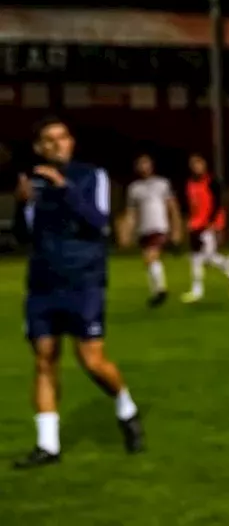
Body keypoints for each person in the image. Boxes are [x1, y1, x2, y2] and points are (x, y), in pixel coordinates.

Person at [12, 116, 144, 468]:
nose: (57, 144)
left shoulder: (91, 176)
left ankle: (126, 407)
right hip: (42, 283)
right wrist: (19, 204)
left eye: (63, 137)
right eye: (48, 140)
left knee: (92, 361)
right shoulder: (31, 182)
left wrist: (64, 187)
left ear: (72, 142)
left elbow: (99, 223)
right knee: (44, 358)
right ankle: (47, 446)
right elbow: (24, 237)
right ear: (39, 147)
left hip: (83, 280)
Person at [180, 153, 229, 303]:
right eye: (194, 164)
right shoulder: (189, 183)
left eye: (199, 163)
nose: (196, 167)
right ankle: (197, 291)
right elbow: (191, 204)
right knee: (196, 259)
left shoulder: (212, 182)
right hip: (195, 225)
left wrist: (215, 223)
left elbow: (218, 204)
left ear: (204, 165)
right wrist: (189, 221)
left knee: (209, 257)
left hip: (208, 224)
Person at [125, 153, 182, 307]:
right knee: (148, 261)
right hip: (144, 228)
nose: (144, 167)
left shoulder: (162, 183)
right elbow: (131, 213)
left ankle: (161, 290)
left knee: (151, 257)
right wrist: (128, 231)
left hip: (159, 227)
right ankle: (157, 291)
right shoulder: (134, 188)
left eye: (146, 163)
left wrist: (176, 230)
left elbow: (173, 207)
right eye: (141, 164)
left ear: (151, 165)